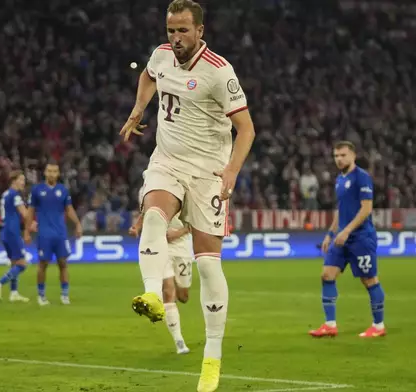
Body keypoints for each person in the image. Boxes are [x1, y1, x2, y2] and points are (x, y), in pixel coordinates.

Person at [118, 1, 255, 390]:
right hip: (168, 161)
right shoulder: (161, 57)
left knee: (209, 266)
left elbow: (246, 129)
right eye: (170, 30)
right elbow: (147, 77)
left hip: (209, 173)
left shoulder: (218, 71)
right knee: (154, 214)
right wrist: (138, 108)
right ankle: (151, 295)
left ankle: (212, 358)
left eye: (182, 31)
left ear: (199, 30)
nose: (175, 38)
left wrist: (231, 170)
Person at [309, 141, 386, 339]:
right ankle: (330, 324)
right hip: (341, 238)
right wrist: (330, 233)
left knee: (369, 280)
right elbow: (341, 210)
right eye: (336, 156)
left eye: (343, 155)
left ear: (353, 155)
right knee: (327, 275)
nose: (339, 159)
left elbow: (366, 209)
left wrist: (347, 231)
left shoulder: (362, 177)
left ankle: (378, 325)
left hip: (361, 237)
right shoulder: (340, 179)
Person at [130, 204, 194, 355]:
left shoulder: (188, 189)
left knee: (183, 296)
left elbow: (196, 222)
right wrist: (137, 227)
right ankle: (179, 342)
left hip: (182, 246)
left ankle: (173, 310)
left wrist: (179, 233)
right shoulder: (154, 187)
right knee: (167, 291)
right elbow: (147, 210)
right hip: (160, 245)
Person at [25, 162, 83, 306]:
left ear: (58, 174)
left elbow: (69, 209)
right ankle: (41, 295)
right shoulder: (37, 190)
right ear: (45, 173)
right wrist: (26, 231)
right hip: (44, 233)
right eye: (49, 171)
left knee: (63, 263)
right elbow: (30, 211)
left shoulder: (62, 190)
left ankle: (64, 295)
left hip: (60, 233)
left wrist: (77, 224)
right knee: (43, 264)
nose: (51, 173)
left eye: (54, 171)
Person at [0, 171, 30, 303]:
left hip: (5, 231)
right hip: (13, 232)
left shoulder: (5, 194)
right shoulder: (15, 195)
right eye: (21, 180)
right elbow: (25, 214)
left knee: (14, 263)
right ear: (14, 181)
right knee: (22, 265)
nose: (23, 183)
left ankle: (14, 293)